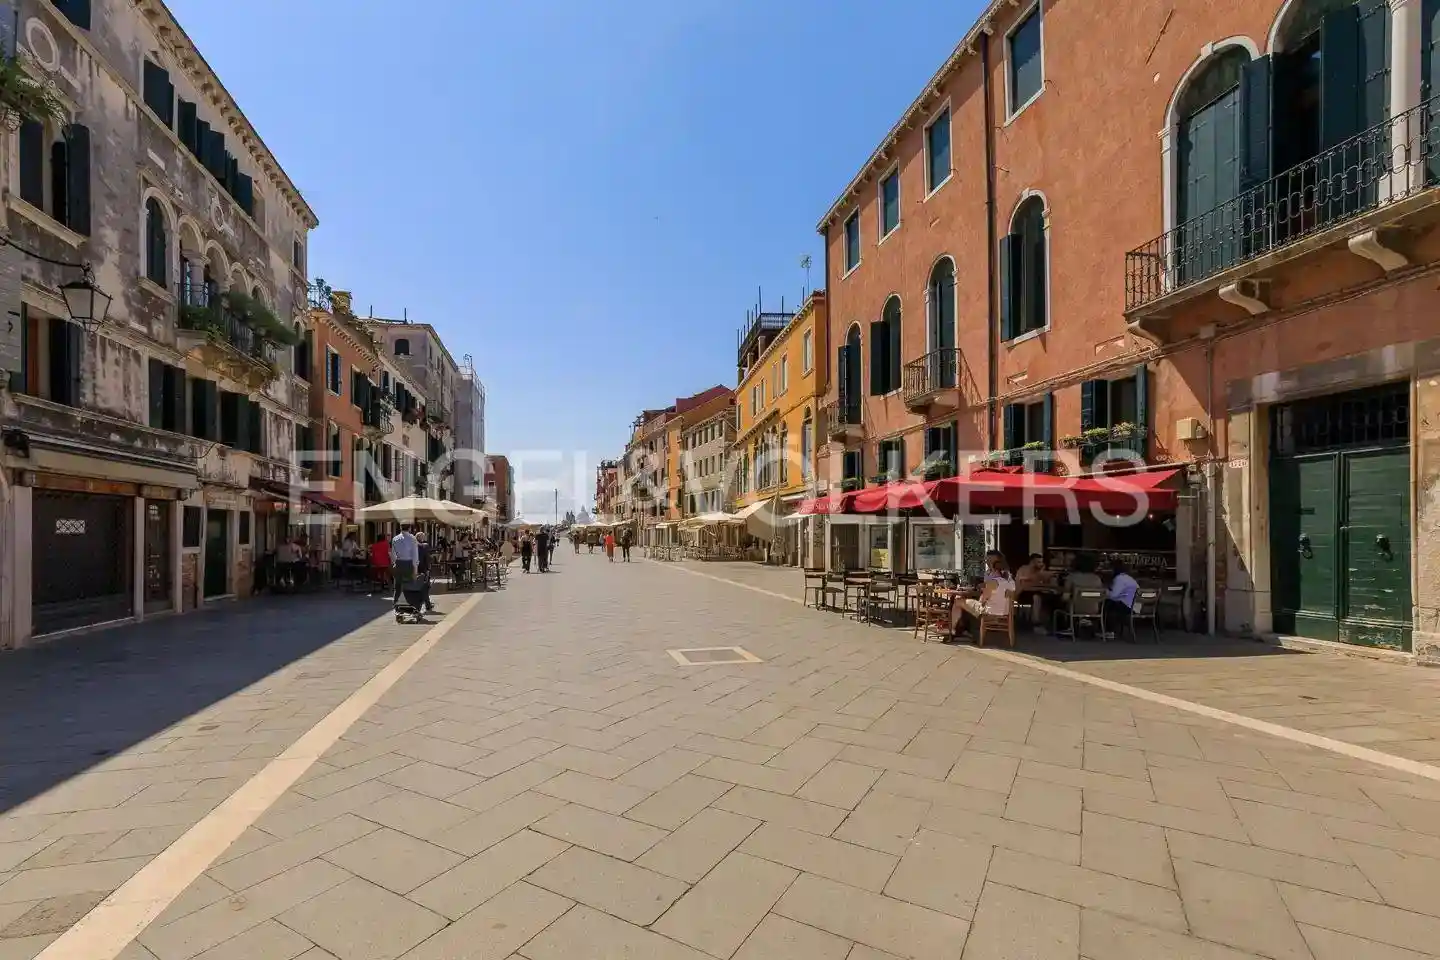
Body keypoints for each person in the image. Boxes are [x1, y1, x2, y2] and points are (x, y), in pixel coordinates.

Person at [952, 551, 1015, 639]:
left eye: (990, 560)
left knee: (958, 601)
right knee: (965, 601)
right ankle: (963, 628)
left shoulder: (996, 579)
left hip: (990, 611)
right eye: (987, 560)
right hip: (1004, 610)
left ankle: (952, 630)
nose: (987, 562)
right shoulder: (1006, 578)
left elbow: (984, 597)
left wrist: (981, 599)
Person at [1014, 553, 1052, 632]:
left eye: (1041, 562)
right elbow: (1023, 583)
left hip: (1035, 592)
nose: (1041, 564)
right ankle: (1036, 621)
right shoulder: (1023, 569)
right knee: (1036, 597)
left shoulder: (1039, 572)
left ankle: (1049, 623)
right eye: (1038, 562)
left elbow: (1046, 583)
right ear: (1032, 562)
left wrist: (1044, 575)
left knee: (1049, 598)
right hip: (1022, 593)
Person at [1105, 560, 1141, 641]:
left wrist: (1106, 592)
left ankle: (1109, 631)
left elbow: (1114, 595)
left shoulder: (1119, 579)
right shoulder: (1129, 578)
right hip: (1136, 607)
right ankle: (1110, 630)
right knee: (1112, 604)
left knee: (1107, 604)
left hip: (1128, 608)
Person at [390, 524, 418, 602]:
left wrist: (394, 564)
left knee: (397, 586)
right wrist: (415, 569)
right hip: (408, 563)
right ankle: (410, 604)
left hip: (399, 563)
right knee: (410, 585)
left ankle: (395, 603)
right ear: (409, 528)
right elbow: (415, 555)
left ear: (400, 528)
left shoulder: (395, 538)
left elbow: (393, 554)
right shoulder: (412, 538)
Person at [415, 532, 436, 613]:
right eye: (423, 537)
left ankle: (427, 604)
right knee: (425, 587)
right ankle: (427, 604)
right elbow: (427, 558)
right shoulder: (425, 546)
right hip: (423, 569)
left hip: (413, 569)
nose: (423, 538)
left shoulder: (411, 546)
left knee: (415, 587)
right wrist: (428, 569)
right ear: (420, 538)